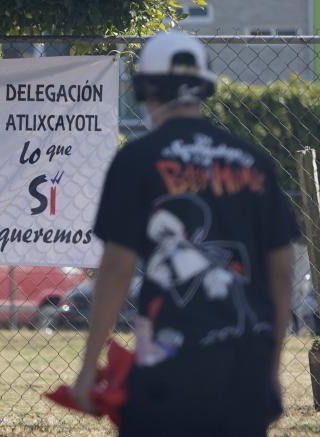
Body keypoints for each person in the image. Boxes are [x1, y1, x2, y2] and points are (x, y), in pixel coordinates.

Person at [69, 31, 299, 436]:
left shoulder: (137, 160)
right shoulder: (255, 162)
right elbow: (281, 273)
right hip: (245, 368)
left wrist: (90, 369)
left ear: (145, 88)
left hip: (167, 372)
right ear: (205, 85)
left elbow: (117, 269)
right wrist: (272, 368)